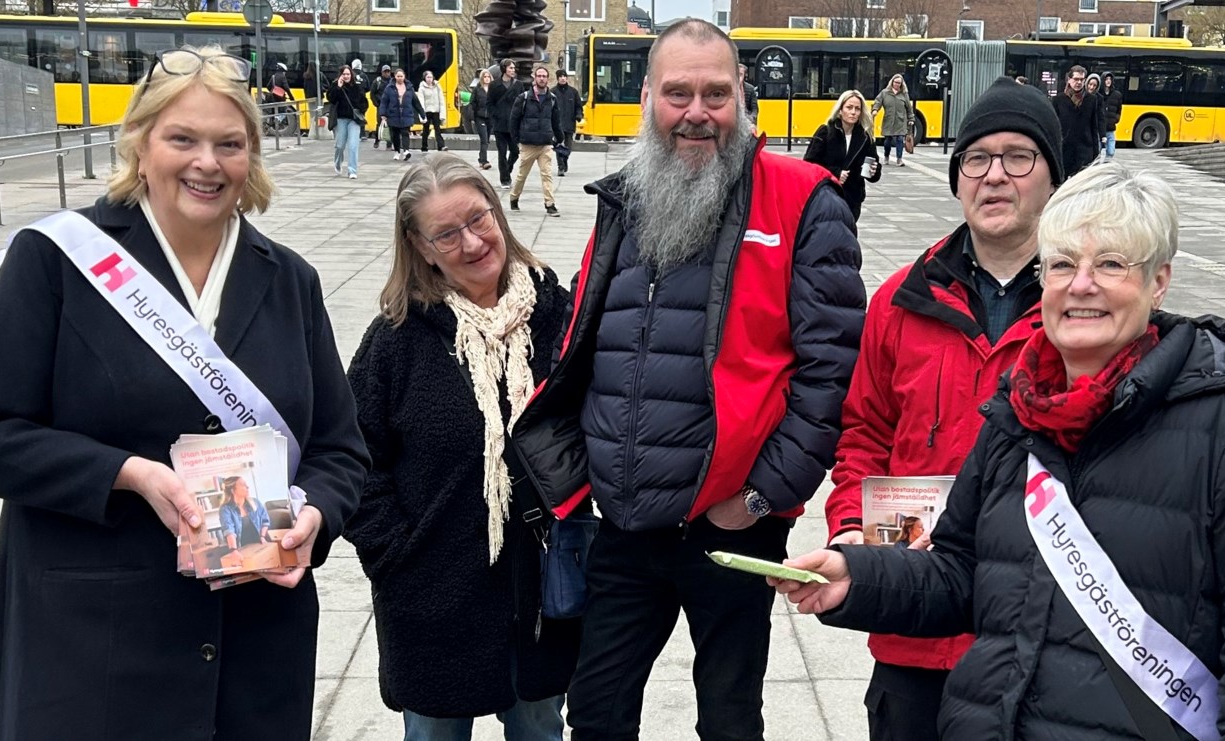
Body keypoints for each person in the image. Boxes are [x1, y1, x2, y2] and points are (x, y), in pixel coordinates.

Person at [774, 161, 1225, 740]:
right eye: (1063, 264)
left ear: (1159, 282)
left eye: (1112, 264)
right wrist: (858, 577)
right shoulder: (1015, 417)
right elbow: (963, 573)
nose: (1081, 285)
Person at [0, 45, 369, 740]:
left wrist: (316, 512)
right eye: (182, 139)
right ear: (140, 146)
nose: (208, 163)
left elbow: (339, 450)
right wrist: (128, 473)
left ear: (252, 156)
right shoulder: (57, 260)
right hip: (94, 649)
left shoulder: (290, 279)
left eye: (229, 144)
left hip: (255, 646)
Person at [506, 19, 866, 741]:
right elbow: (589, 337)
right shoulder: (626, 199)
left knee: (729, 718)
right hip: (626, 521)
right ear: (648, 98)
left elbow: (831, 375)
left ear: (741, 96)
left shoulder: (803, 201)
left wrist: (762, 495)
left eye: (715, 93)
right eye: (678, 93)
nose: (696, 112)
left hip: (732, 525)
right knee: (597, 712)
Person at [823, 75, 1062, 741]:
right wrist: (851, 527)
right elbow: (863, 433)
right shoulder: (902, 299)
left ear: (1054, 177)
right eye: (976, 159)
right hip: (916, 633)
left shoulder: (1085, 307)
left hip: (1041, 637)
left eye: (1019, 157)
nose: (994, 176)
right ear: (957, 180)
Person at [345, 152, 576, 741]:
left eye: (478, 219)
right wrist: (396, 557)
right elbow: (353, 459)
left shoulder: (556, 317)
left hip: (539, 596)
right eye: (447, 234)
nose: (472, 242)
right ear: (420, 248)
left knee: (540, 730)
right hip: (432, 602)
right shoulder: (396, 340)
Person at [805, 90, 882, 222]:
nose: (853, 112)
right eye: (849, 107)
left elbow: (874, 172)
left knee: (847, 233)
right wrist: (835, 173)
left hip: (852, 199)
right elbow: (809, 164)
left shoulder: (865, 137)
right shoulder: (825, 132)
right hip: (827, 196)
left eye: (857, 109)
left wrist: (874, 171)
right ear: (840, 110)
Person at [508, 66, 564, 216]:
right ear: (534, 78)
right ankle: (514, 197)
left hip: (545, 144)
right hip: (528, 143)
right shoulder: (524, 98)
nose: (541, 78)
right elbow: (514, 120)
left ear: (548, 79)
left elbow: (556, 121)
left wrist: (559, 138)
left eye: (544, 76)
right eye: (539, 76)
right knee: (522, 175)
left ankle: (550, 204)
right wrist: (516, 140)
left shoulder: (552, 99)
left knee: (547, 175)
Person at [1052, 65, 1102, 179]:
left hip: (1084, 150)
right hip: (1064, 150)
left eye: (1081, 79)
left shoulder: (1091, 99)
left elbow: (1094, 126)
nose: (1079, 82)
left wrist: (1096, 153)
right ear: (1069, 80)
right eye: (1076, 79)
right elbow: (1053, 126)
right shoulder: (1058, 100)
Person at [488, 62, 525, 187]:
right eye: (511, 68)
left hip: (514, 124)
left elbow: (522, 103)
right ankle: (504, 179)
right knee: (502, 153)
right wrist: (494, 116)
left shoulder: (518, 85)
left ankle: (507, 170)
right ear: (504, 69)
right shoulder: (494, 85)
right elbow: (489, 103)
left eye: (514, 68)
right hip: (500, 124)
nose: (513, 70)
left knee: (515, 151)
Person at [330, 64, 369, 179]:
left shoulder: (357, 86)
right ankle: (337, 163)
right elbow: (331, 99)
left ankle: (352, 170)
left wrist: (361, 110)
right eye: (344, 74)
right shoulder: (335, 85)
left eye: (348, 74)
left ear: (351, 75)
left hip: (354, 120)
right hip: (341, 118)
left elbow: (364, 101)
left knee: (353, 145)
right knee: (340, 145)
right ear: (340, 75)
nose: (346, 76)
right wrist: (338, 87)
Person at [377, 67, 420, 162]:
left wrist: (422, 113)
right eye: (398, 76)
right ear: (395, 77)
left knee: (405, 133)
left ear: (404, 76)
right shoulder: (389, 88)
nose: (400, 78)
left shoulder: (409, 88)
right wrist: (383, 113)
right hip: (393, 114)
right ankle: (397, 151)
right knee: (395, 135)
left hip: (406, 114)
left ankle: (406, 151)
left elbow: (415, 101)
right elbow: (384, 101)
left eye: (401, 76)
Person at [217, 476, 271, 550]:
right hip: (241, 548)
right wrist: (234, 550)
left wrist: (262, 536)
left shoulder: (255, 502)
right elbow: (229, 531)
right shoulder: (225, 509)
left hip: (259, 544)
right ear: (233, 490)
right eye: (243, 485)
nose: (247, 487)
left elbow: (265, 521)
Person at [873, 74, 915, 166]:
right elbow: (878, 102)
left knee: (900, 139)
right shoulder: (884, 93)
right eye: (895, 82)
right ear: (892, 82)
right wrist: (875, 110)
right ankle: (886, 157)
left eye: (899, 83)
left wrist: (911, 118)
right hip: (888, 120)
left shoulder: (904, 94)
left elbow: (909, 108)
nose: (897, 84)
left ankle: (899, 160)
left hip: (900, 121)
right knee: (887, 141)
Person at [551, 69, 584, 176]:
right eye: (560, 76)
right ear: (557, 78)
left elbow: (578, 106)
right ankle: (560, 167)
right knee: (559, 146)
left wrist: (579, 115)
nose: (562, 78)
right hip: (557, 125)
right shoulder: (553, 92)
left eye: (564, 76)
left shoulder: (573, 92)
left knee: (568, 147)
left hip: (569, 124)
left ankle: (565, 159)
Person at [417, 69, 449, 152]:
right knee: (426, 129)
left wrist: (442, 111)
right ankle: (424, 146)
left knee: (437, 129)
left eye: (431, 77)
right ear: (425, 78)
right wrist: (422, 113)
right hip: (427, 111)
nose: (429, 79)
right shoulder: (422, 88)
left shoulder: (437, 86)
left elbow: (441, 99)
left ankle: (441, 146)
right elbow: (421, 101)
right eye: (428, 77)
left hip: (436, 111)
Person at [472, 68, 496, 170]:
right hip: (480, 117)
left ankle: (481, 158)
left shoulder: (493, 89)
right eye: (485, 77)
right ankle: (484, 161)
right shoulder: (477, 89)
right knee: (484, 140)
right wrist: (476, 113)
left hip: (490, 118)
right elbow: (472, 102)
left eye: (488, 77)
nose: (486, 78)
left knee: (487, 140)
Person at [1099, 74, 1123, 159]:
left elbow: (1119, 109)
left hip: (1110, 128)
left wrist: (1116, 119)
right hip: (1099, 129)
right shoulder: (1098, 94)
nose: (1108, 81)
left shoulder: (1117, 95)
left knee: (1110, 152)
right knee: (1097, 152)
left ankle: (1107, 165)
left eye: (1110, 79)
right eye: (1106, 79)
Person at [373, 63, 396, 150]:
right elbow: (372, 93)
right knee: (380, 123)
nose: (387, 73)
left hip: (390, 106)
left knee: (390, 124)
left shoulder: (393, 81)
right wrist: (376, 103)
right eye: (385, 72)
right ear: (382, 72)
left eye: (388, 72)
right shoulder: (377, 81)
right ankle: (377, 140)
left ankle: (389, 144)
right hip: (381, 106)